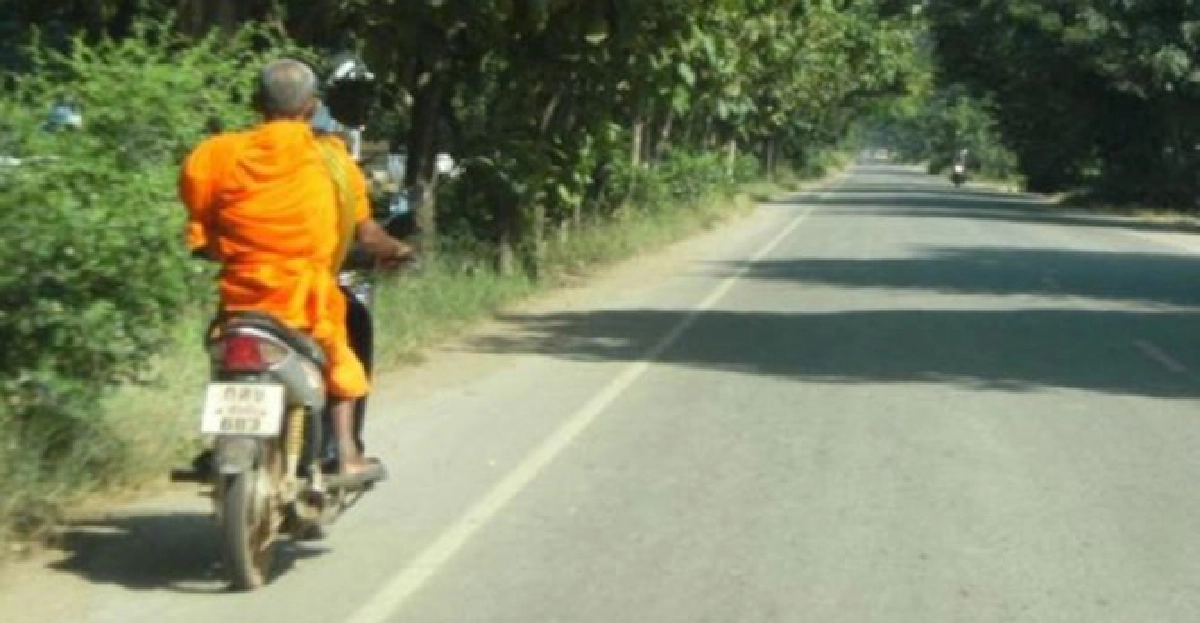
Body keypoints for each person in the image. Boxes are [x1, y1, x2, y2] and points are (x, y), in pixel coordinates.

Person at [179, 58, 411, 480]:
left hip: (243, 296)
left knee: (223, 352)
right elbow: (370, 237)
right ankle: (346, 454)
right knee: (340, 350)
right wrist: (399, 250)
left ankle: (219, 441)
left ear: (256, 104)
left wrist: (229, 250)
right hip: (303, 299)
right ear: (311, 106)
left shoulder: (215, 154)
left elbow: (202, 228)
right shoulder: (333, 158)